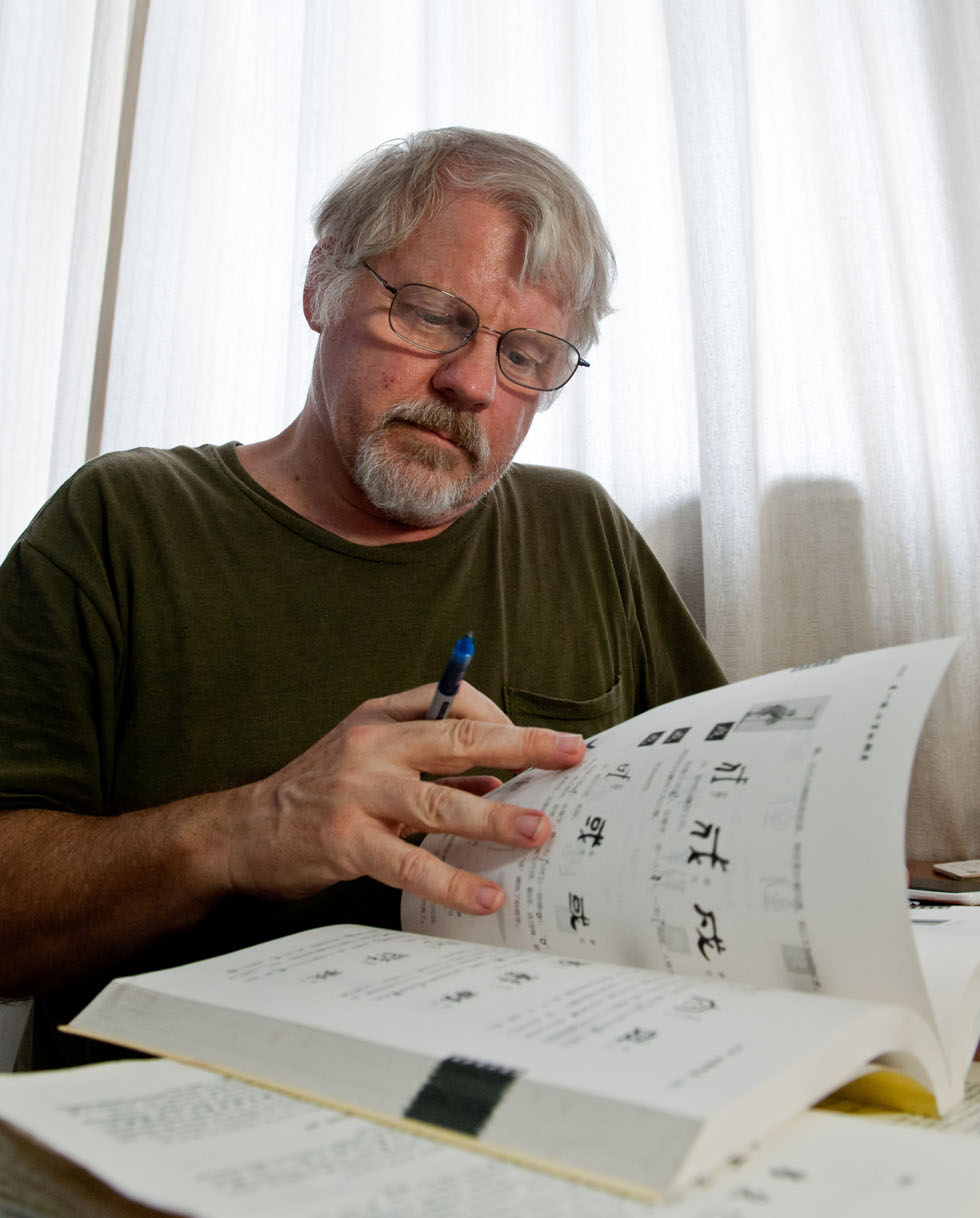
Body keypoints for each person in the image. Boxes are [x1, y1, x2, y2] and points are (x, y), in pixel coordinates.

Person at [0, 127, 723, 1066]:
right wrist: (245, 830)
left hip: (529, 1110)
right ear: (320, 287)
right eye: (431, 314)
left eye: (528, 357)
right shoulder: (124, 520)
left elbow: (716, 828)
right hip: (184, 1143)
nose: (470, 384)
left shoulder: (581, 529)